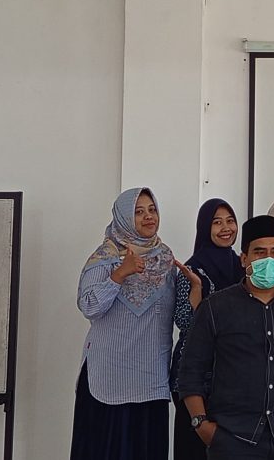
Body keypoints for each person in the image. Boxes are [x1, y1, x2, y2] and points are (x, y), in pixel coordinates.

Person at [177, 215, 274, 460]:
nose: (269, 259)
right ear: (244, 258)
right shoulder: (215, 307)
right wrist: (201, 424)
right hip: (232, 439)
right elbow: (191, 370)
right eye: (259, 252)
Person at [71, 188, 198, 460]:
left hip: (151, 378)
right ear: (125, 218)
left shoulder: (165, 258)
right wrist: (120, 273)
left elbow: (177, 319)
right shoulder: (105, 257)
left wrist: (194, 294)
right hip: (109, 377)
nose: (148, 216)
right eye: (139, 212)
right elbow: (89, 307)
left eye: (152, 209)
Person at [170, 197, 240, 459]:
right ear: (204, 227)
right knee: (194, 450)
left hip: (232, 377)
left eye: (230, 221)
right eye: (217, 222)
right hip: (195, 377)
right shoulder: (191, 271)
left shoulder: (243, 267)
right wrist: (197, 293)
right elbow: (185, 323)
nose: (226, 228)